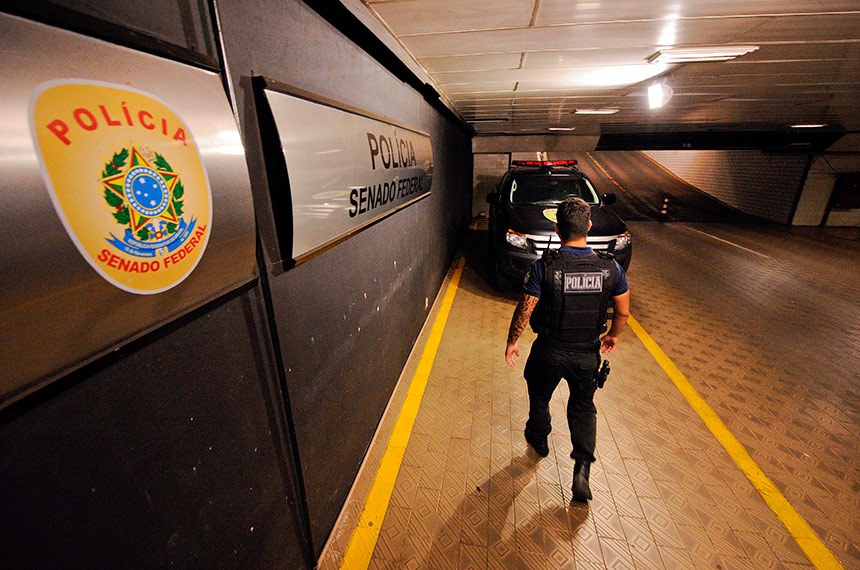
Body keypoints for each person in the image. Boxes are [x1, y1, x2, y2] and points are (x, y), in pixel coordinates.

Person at [504, 197, 630, 502]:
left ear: (558, 229)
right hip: (587, 354)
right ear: (588, 225)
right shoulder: (609, 266)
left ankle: (539, 438)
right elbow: (623, 310)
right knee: (583, 407)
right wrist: (613, 335)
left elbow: (525, 308)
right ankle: (582, 469)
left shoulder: (543, 267)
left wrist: (512, 341)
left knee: (539, 395)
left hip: (549, 351)